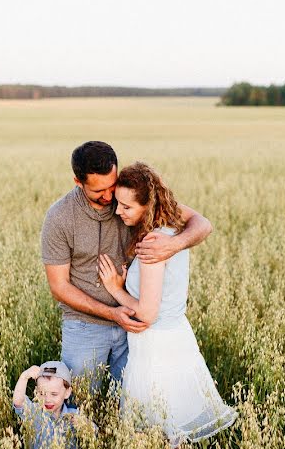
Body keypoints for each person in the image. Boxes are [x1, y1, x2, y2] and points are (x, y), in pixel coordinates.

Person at [41, 141, 213, 390]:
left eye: (112, 186)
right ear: (78, 182)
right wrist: (112, 313)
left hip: (135, 329)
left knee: (131, 403)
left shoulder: (129, 198)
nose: (110, 197)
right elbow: (59, 287)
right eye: (99, 191)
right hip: (84, 326)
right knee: (80, 400)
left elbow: (202, 223)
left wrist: (173, 245)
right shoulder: (59, 217)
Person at [97, 162, 237, 449]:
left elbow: (147, 314)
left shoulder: (152, 244)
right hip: (176, 340)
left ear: (147, 206)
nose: (118, 211)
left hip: (156, 348)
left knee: (165, 438)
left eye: (126, 207)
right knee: (171, 438)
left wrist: (115, 289)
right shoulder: (171, 227)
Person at [12, 361, 95, 449]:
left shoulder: (73, 415)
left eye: (54, 394)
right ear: (36, 391)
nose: (47, 399)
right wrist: (24, 376)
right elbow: (18, 402)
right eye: (42, 393)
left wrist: (84, 424)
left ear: (67, 392)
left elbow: (94, 433)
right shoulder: (35, 413)